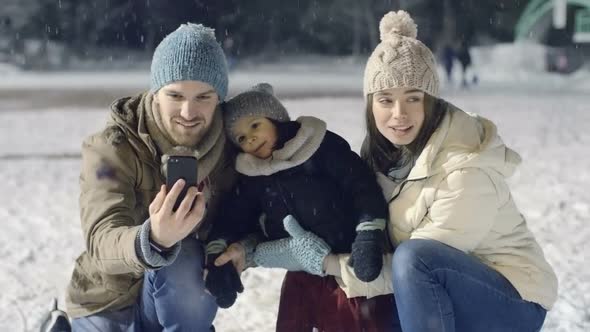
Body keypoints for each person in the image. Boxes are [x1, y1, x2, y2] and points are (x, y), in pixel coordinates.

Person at [217, 10, 558, 332]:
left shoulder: (465, 169)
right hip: (429, 291)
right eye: (385, 100)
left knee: (413, 259)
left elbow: (412, 271)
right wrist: (251, 251)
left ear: (432, 101)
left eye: (413, 98)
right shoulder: (382, 158)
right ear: (371, 105)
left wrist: (326, 263)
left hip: (512, 301)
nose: (399, 113)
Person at [61, 23, 235, 331]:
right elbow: (101, 239)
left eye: (204, 97)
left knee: (185, 257)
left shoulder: (232, 146)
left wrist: (237, 251)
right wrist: (153, 238)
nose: (188, 111)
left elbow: (254, 214)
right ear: (156, 93)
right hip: (106, 298)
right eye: (175, 94)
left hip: (176, 298)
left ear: (219, 96)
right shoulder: (111, 148)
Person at [203, 83, 390, 320]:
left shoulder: (319, 147)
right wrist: (218, 256)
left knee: (349, 319)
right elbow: (233, 216)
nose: (251, 138)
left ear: (275, 118)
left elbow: (362, 187)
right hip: (302, 270)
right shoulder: (255, 177)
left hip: (348, 262)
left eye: (255, 125)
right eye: (241, 137)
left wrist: (368, 234)